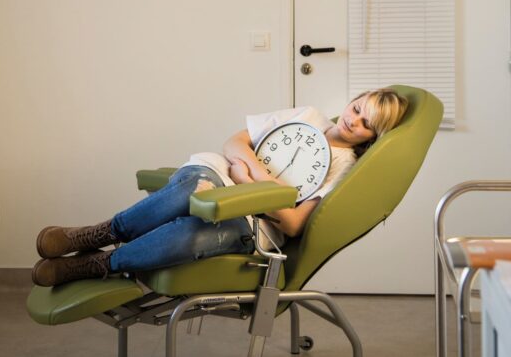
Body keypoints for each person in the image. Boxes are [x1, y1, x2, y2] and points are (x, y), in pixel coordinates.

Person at [32, 88, 409, 287]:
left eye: (365, 125)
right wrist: (255, 176)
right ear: (354, 99)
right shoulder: (306, 116)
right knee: (194, 188)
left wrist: (253, 184)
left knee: (194, 230)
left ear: (373, 137)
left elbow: (293, 225)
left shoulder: (344, 167)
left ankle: (99, 264)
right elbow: (234, 142)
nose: (353, 120)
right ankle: (98, 234)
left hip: (253, 222)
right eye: (358, 108)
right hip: (219, 174)